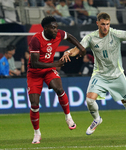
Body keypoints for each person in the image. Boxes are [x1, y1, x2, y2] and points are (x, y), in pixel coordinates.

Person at [27, 16, 86, 144]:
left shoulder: (58, 34)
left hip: (49, 70)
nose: (56, 30)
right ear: (46, 28)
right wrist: (55, 64)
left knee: (59, 88)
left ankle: (68, 117)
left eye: (56, 27)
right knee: (35, 104)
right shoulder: (36, 40)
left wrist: (80, 47)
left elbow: (69, 36)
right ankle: (37, 133)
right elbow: (35, 63)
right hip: (35, 73)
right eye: (53, 28)